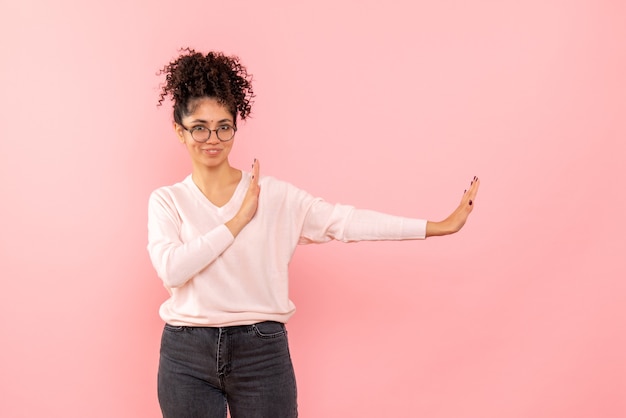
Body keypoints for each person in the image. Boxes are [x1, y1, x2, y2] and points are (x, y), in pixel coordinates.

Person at [148, 48, 480, 418]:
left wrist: (437, 227)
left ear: (235, 126)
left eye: (224, 126)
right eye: (199, 127)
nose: (213, 138)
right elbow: (172, 270)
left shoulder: (275, 196)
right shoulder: (168, 201)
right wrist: (239, 220)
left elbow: (345, 222)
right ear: (180, 130)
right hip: (186, 355)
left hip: (261, 352)